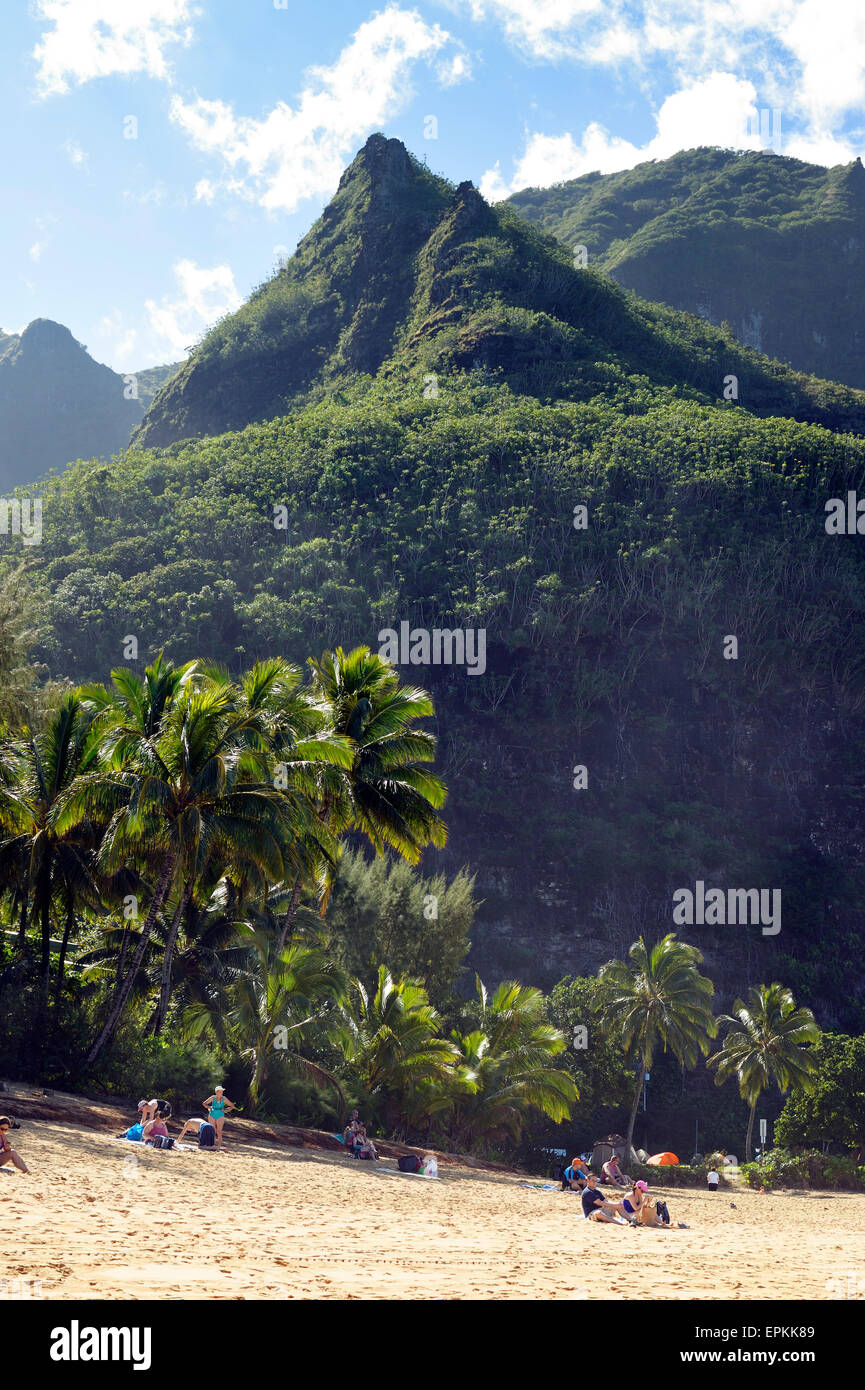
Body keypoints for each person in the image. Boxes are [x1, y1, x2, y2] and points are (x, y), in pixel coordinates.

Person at [202, 1086, 236, 1150]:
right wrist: (209, 1107)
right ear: (216, 1092)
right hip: (212, 1114)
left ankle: (219, 1146)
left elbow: (232, 1106)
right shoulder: (212, 1097)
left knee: (219, 1131)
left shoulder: (224, 1098)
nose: (222, 1092)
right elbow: (204, 1103)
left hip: (220, 1114)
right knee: (212, 1130)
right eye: (220, 1091)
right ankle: (212, 1144)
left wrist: (226, 1110)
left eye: (222, 1091)